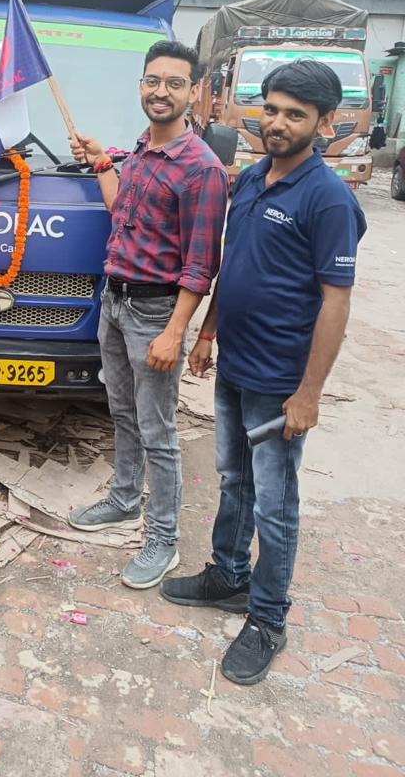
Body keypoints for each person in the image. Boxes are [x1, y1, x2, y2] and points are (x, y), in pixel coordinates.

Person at [161, 59, 367, 685]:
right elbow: (236, 263)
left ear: (325, 124)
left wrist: (309, 394)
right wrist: (208, 333)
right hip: (236, 365)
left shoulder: (328, 199)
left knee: (275, 506)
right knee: (234, 480)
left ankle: (269, 617)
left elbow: (335, 302)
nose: (277, 123)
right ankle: (228, 576)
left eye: (295, 115)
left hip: (281, 382)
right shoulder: (251, 179)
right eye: (271, 109)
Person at [68, 40, 229, 589]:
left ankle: (163, 537)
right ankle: (123, 499)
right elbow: (121, 209)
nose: (162, 92)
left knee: (158, 429)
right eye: (153, 81)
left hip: (156, 311)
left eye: (175, 83)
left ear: (193, 92)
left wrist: (175, 331)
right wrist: (101, 162)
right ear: (141, 85)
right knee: (121, 411)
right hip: (114, 302)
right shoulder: (140, 149)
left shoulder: (201, 169)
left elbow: (202, 265)